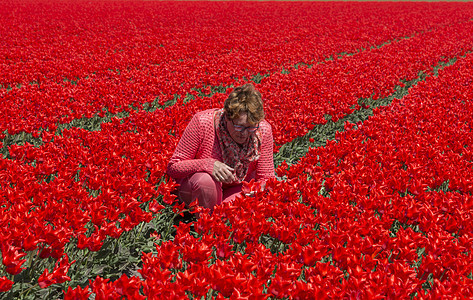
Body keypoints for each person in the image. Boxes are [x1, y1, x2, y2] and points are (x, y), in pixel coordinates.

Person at [167, 83, 275, 210]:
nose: (245, 133)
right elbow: (173, 167)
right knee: (205, 181)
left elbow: (267, 178)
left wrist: (256, 190)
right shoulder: (203, 123)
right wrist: (207, 164)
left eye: (251, 127)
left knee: (237, 206)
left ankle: (219, 221)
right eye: (239, 126)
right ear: (227, 117)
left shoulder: (262, 131)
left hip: (236, 191)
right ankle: (205, 224)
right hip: (198, 189)